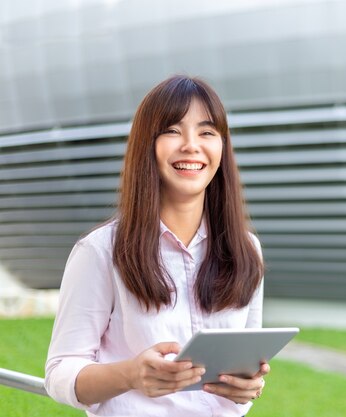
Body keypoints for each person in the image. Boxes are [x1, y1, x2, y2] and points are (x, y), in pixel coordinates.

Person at [45, 75, 267, 417]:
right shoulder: (101, 251)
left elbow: (246, 366)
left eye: (207, 132)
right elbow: (60, 374)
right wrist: (131, 375)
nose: (192, 145)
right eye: (173, 131)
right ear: (147, 145)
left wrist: (248, 387)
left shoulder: (246, 250)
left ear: (223, 148)